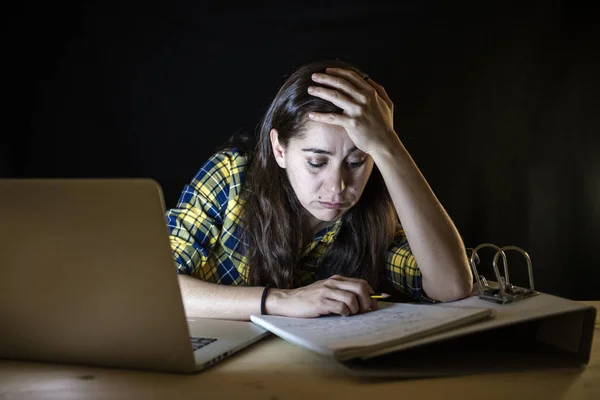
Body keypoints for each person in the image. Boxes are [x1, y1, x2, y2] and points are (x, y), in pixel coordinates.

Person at [166, 59, 473, 321]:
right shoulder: (232, 177)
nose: (337, 187)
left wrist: (388, 145)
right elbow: (154, 287)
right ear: (280, 149)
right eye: (316, 162)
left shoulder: (375, 216)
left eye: (355, 162)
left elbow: (452, 286)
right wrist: (281, 301)